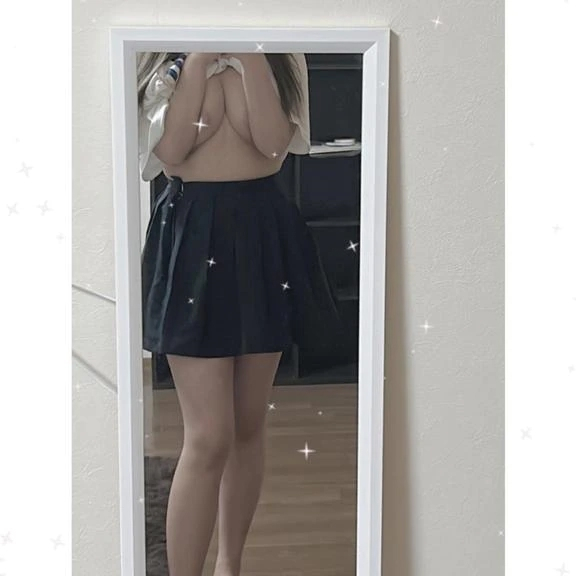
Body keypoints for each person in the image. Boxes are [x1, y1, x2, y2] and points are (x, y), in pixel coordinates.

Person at [137, 51, 344, 576]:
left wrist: (252, 57)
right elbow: (172, 150)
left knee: (249, 424)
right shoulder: (161, 55)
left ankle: (231, 564)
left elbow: (273, 147)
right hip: (190, 231)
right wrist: (199, 61)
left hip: (259, 232)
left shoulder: (283, 55)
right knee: (209, 436)